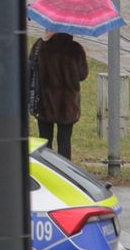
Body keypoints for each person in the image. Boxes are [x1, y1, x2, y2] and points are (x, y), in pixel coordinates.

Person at [28, 31, 87, 159]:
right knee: (64, 142)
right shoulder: (75, 48)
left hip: (44, 102)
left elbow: (31, 69)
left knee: (44, 142)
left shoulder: (40, 46)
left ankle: (45, 169)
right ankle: (65, 172)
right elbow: (83, 75)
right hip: (68, 106)